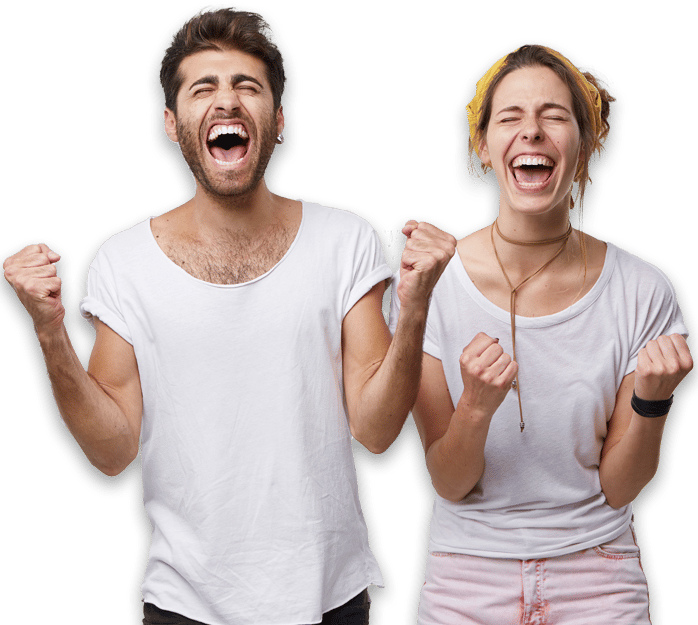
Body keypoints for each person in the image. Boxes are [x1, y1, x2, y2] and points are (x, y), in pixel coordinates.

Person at [1, 6, 455, 625]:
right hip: (184, 603)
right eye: (203, 88)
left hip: (330, 598)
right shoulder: (123, 261)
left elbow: (376, 431)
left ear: (281, 121)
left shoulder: (344, 240)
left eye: (248, 86)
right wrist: (48, 332)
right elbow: (111, 454)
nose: (228, 101)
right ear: (170, 123)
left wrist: (418, 303)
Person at [390, 43, 693, 623]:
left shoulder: (643, 289)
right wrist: (476, 408)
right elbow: (450, 482)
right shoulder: (431, 283)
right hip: (466, 577)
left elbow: (619, 488)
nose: (532, 132)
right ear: (483, 145)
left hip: (599, 577)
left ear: (586, 144)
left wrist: (654, 402)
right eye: (510, 118)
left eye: (554, 116)